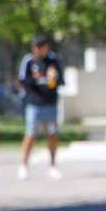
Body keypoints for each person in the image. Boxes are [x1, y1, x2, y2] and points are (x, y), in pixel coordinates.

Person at [17, 35, 64, 180]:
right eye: (36, 47)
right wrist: (35, 78)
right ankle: (24, 165)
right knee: (31, 133)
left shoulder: (54, 60)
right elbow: (23, 80)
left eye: (41, 47)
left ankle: (53, 165)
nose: (38, 50)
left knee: (53, 133)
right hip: (34, 103)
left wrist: (55, 78)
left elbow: (62, 80)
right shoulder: (29, 60)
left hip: (51, 102)